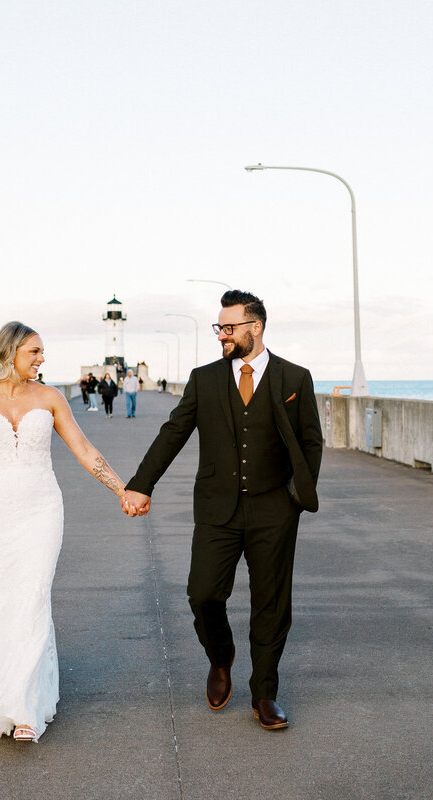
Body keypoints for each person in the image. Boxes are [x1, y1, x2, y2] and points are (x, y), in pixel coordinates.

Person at [120, 290, 322, 731]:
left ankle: (264, 694)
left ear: (256, 328)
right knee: (203, 594)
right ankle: (221, 656)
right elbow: (173, 432)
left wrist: (296, 495)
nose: (222, 336)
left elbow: (311, 441)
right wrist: (141, 484)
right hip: (217, 509)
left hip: (275, 509)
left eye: (229, 328)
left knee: (271, 604)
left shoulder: (295, 378)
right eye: (219, 328)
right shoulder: (205, 379)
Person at [0, 321, 127, 743]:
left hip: (41, 509)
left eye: (42, 352)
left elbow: (83, 449)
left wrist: (121, 489)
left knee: (33, 594)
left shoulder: (50, 397)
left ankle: (23, 706)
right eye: (35, 352)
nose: (42, 359)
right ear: (9, 352)